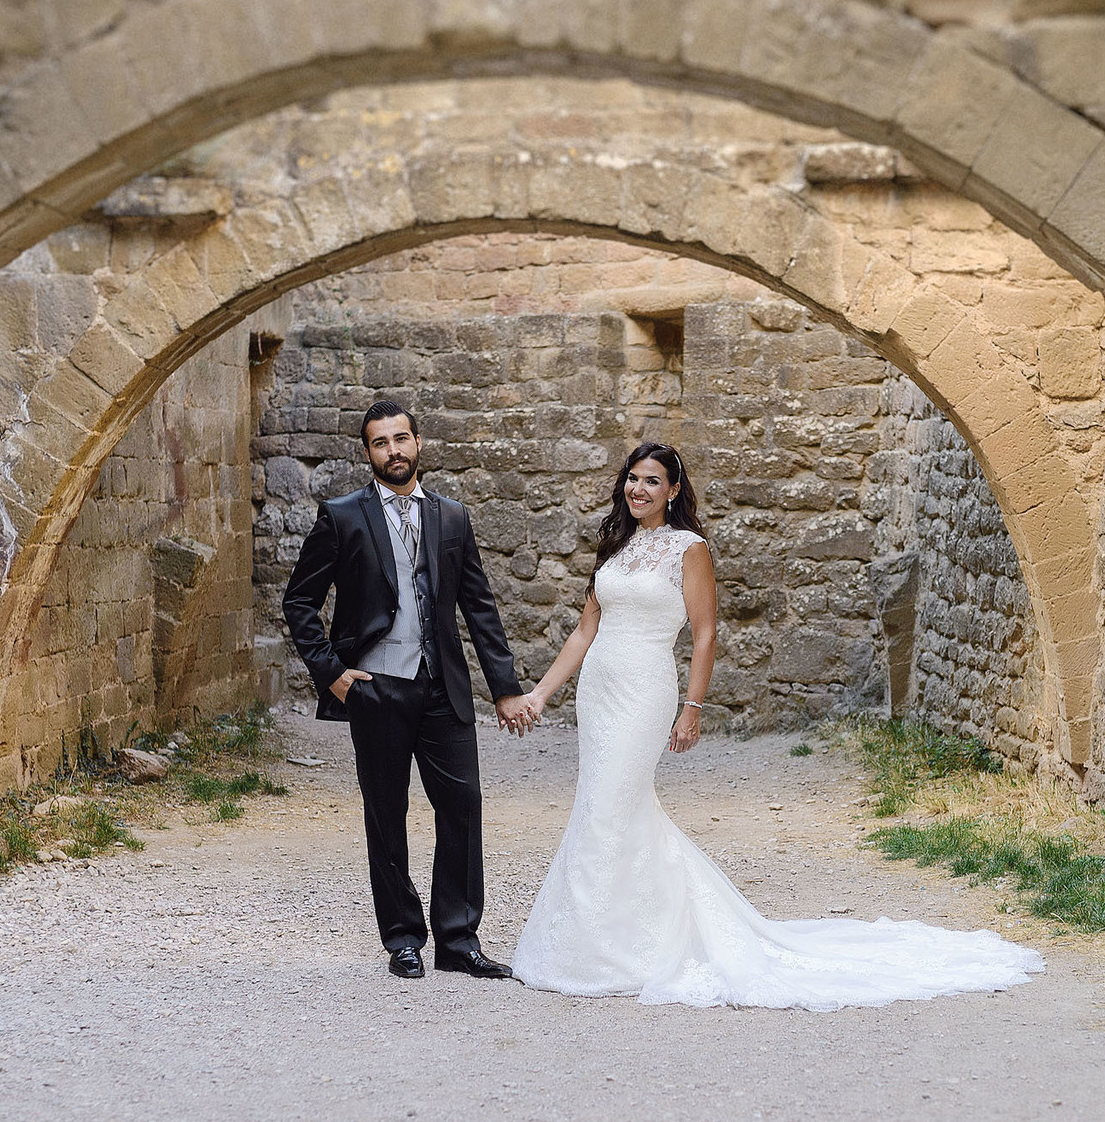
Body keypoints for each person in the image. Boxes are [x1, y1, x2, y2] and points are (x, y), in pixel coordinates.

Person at [502, 442, 1045, 1010]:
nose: (639, 489)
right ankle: (601, 942)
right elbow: (584, 632)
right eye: (633, 479)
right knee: (599, 805)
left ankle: (633, 947)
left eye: (653, 481)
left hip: (644, 691)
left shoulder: (689, 549)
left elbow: (706, 633)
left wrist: (693, 707)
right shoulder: (614, 546)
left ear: (674, 490)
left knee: (614, 801)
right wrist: (540, 694)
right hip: (599, 693)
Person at [281, 400, 532, 980]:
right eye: (379, 443)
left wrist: (505, 689)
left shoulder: (452, 517)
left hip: (442, 686)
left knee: (463, 808)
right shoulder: (342, 516)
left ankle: (458, 939)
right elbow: (299, 601)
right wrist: (332, 673)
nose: (393, 451)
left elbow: (479, 607)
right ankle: (402, 938)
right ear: (367, 453)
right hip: (375, 687)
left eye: (401, 439)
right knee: (386, 815)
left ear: (418, 443)